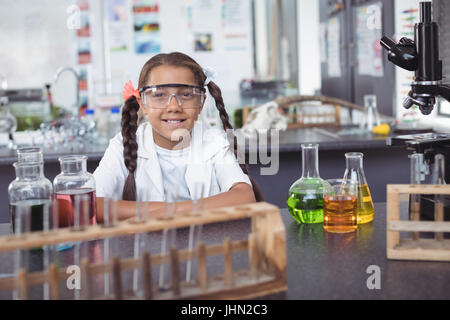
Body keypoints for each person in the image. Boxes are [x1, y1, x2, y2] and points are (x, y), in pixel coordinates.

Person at [93, 52, 264, 222]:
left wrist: (164, 213)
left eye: (186, 94)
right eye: (159, 95)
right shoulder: (121, 146)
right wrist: (174, 210)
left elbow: (244, 197)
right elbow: (90, 206)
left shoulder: (214, 142)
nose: (174, 106)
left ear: (201, 103)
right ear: (143, 104)